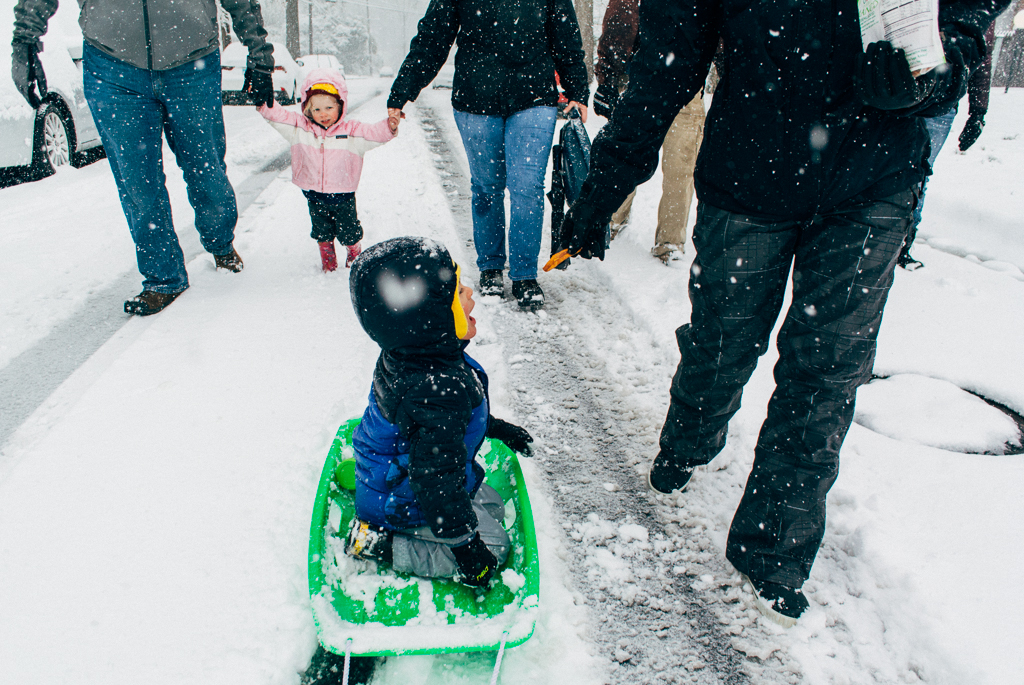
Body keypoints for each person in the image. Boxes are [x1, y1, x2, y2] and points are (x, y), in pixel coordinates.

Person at [561, 0, 1006, 625]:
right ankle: (691, 434)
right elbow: (669, 63)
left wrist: (942, 67)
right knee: (723, 338)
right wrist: (605, 181)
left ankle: (774, 545)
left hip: (872, 178)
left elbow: (965, 11)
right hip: (751, 173)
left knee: (826, 372)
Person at [11, 0, 275, 316]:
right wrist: (25, 41)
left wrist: (259, 53)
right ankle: (163, 278)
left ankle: (220, 241)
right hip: (112, 67)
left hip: (192, 62)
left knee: (207, 170)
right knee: (137, 181)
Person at [345, 237, 534, 586]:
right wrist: (465, 548)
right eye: (459, 291)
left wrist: (493, 427)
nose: (470, 293)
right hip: (400, 497)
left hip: (401, 474)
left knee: (489, 505)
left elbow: (442, 426)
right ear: (428, 316)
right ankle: (381, 542)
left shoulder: (420, 353)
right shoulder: (434, 388)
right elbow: (434, 478)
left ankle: (437, 528)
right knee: (494, 546)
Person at [385, 0, 590, 310]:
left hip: (534, 97)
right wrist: (403, 91)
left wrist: (577, 90)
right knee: (486, 186)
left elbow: (566, 36)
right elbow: (433, 38)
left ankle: (524, 275)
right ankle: (491, 268)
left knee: (527, 188)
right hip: (476, 98)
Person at [592, 0, 709, 264]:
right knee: (626, 152)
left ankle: (670, 242)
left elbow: (720, 32)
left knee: (680, 166)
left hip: (686, 85)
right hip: (635, 83)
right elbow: (615, 28)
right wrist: (607, 80)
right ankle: (611, 218)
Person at [258, 69, 396, 272]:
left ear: (341, 106)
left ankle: (354, 253)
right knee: (322, 233)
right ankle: (328, 262)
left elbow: (373, 133)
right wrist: (263, 104)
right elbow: (280, 117)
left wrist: (389, 126)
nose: (323, 114)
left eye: (329, 108)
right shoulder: (300, 128)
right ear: (307, 109)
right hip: (314, 195)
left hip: (343, 195)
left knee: (349, 231)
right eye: (317, 109)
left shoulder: (352, 131)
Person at [899, 21, 998, 269]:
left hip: (941, 101)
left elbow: (981, 53)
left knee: (919, 174)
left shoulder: (977, 10)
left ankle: (901, 243)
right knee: (886, 169)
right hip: (899, 88)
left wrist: (978, 111)